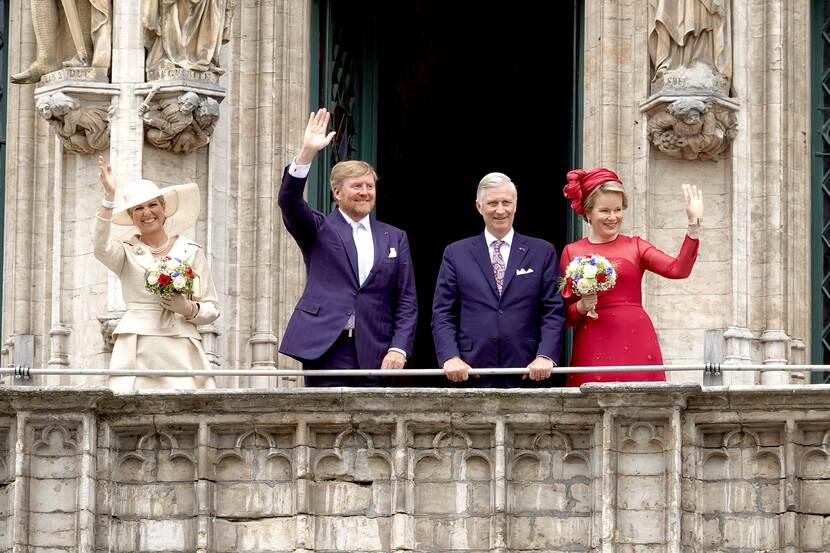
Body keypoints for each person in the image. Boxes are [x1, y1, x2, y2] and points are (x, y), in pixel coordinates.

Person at [278, 108, 417, 386]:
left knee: (373, 427)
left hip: (377, 351)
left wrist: (399, 348)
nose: (365, 192)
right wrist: (306, 153)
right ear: (337, 192)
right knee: (325, 425)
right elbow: (289, 202)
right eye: (357, 186)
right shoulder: (318, 229)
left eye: (370, 186)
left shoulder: (394, 237)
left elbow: (406, 300)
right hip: (326, 347)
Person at [560, 168, 703, 386]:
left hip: (636, 336)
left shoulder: (635, 246)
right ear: (587, 213)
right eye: (604, 210)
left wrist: (693, 227)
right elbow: (564, 316)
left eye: (618, 209)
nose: (613, 217)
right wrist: (581, 306)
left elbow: (678, 270)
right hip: (593, 339)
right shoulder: (572, 252)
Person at [94, 156, 219, 391]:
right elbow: (100, 247)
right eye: (138, 208)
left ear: (164, 209)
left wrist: (189, 309)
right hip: (137, 344)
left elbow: (212, 308)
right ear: (132, 217)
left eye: (153, 205)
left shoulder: (191, 251)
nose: (147, 212)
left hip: (181, 343)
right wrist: (109, 197)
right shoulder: (126, 252)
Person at [432, 172, 565, 388]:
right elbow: (443, 313)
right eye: (492, 203)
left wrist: (546, 355)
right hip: (470, 370)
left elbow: (553, 310)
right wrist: (450, 357)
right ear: (479, 207)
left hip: (528, 369)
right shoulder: (456, 253)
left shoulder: (542, 251)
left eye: (506, 202)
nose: (500, 210)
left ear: (516, 205)